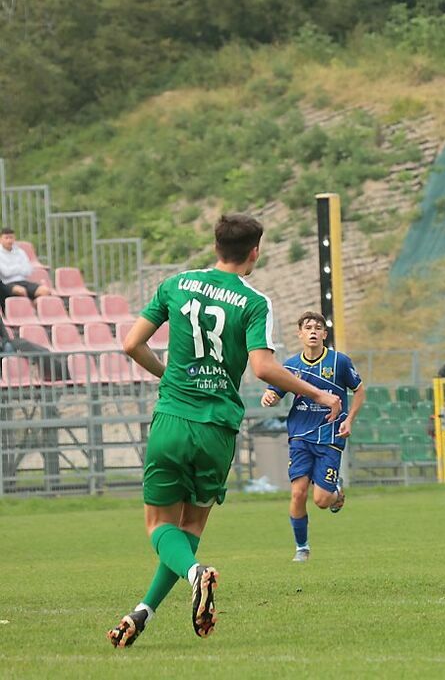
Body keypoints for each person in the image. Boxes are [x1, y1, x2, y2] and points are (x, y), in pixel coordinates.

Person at [107, 215, 341, 648]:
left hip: (173, 419)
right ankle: (145, 610)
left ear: (215, 246)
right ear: (255, 252)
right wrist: (319, 393)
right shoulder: (254, 302)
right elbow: (263, 367)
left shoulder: (176, 285)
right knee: (191, 526)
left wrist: (168, 376)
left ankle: (193, 575)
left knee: (159, 525)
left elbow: (131, 344)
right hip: (216, 429)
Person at [260, 311, 365, 562]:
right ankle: (302, 548)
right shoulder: (291, 367)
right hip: (300, 437)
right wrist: (269, 396)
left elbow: (359, 391)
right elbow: (274, 393)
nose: (313, 331)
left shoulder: (339, 362)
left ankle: (336, 493)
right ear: (300, 334)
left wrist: (349, 419)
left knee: (321, 500)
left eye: (318, 328)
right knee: (298, 493)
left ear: (325, 334)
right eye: (308, 328)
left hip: (330, 437)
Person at [0, 227, 51, 301]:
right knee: (21, 291)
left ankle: (33, 305)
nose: (9, 240)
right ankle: (28, 304)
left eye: (11, 237)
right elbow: (6, 273)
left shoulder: (20, 252)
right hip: (6, 284)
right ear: (1, 239)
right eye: (6, 238)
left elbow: (28, 271)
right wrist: (19, 267)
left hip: (23, 281)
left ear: (14, 238)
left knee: (45, 291)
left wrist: (12, 268)